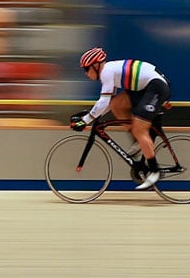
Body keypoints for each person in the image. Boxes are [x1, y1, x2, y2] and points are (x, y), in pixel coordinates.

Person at [71, 47, 171, 190]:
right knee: (116, 105)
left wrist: (86, 120)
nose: (86, 74)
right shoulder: (110, 71)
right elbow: (108, 104)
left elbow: (102, 102)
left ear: (95, 65)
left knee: (139, 129)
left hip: (156, 87)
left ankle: (154, 170)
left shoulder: (106, 72)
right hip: (145, 87)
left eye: (86, 69)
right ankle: (138, 144)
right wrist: (90, 118)